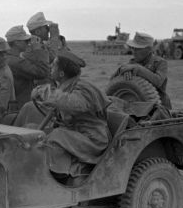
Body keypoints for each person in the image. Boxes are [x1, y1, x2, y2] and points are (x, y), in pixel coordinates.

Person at [16, 51, 111, 182]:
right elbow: (59, 103)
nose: (50, 67)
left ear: (61, 74)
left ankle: (59, 175)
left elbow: (73, 104)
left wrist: (47, 94)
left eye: (54, 65)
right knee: (32, 131)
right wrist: (41, 94)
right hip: (75, 134)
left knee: (56, 136)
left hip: (92, 139)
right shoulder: (66, 86)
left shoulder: (83, 87)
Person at [111, 31, 171, 108]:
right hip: (136, 105)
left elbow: (158, 81)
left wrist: (138, 69)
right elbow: (112, 83)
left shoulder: (160, 63)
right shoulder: (132, 63)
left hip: (160, 106)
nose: (134, 52)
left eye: (137, 49)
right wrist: (121, 72)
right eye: (133, 48)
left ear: (149, 49)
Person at [5, 25, 50, 107]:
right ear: (17, 43)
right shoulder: (16, 62)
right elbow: (43, 72)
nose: (28, 43)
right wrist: (38, 50)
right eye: (26, 41)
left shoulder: (8, 58)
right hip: (20, 105)